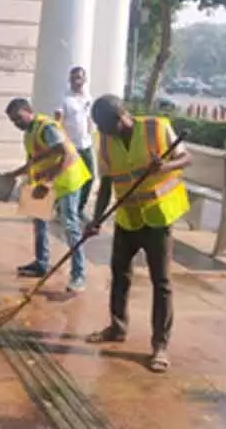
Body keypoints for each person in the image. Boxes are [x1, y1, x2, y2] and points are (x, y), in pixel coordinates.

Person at [83, 94, 192, 373]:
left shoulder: (157, 127)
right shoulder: (105, 141)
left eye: (107, 127)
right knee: (119, 273)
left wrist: (164, 166)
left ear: (122, 118)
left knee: (162, 282)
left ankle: (160, 345)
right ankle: (117, 327)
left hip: (158, 217)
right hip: (128, 218)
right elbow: (106, 183)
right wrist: (95, 220)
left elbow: (186, 158)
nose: (104, 133)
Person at [4, 97, 90, 293]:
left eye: (18, 118)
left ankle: (79, 275)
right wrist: (13, 174)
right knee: (38, 220)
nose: (16, 124)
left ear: (28, 111)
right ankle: (41, 263)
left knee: (70, 226)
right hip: (45, 182)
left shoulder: (47, 127)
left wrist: (50, 181)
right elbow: (33, 161)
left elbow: (68, 155)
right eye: (12, 121)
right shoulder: (29, 133)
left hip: (66, 181)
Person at [55, 67, 96, 222]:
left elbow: (88, 118)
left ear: (84, 80)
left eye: (79, 78)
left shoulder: (87, 97)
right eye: (73, 79)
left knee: (89, 177)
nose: (76, 82)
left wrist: (90, 133)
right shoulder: (65, 99)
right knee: (68, 180)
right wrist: (62, 142)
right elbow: (57, 120)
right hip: (70, 146)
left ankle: (79, 209)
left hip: (85, 144)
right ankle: (61, 209)